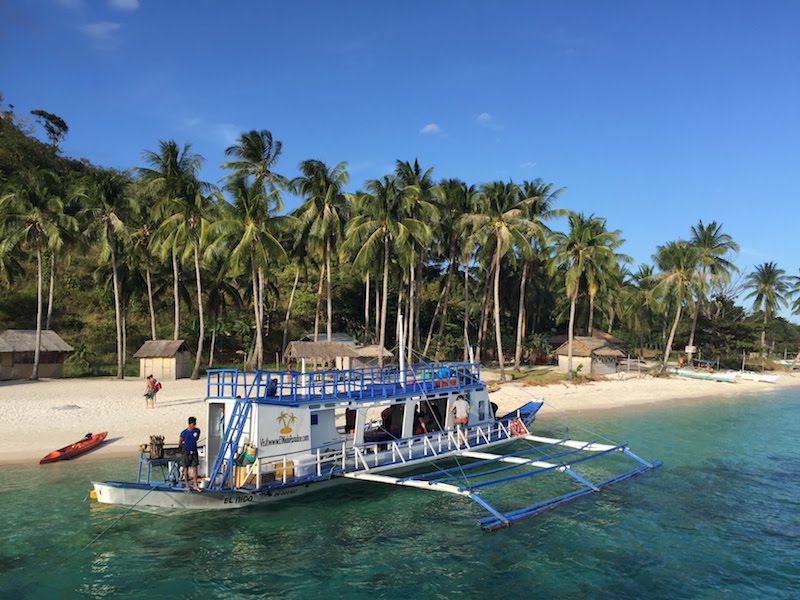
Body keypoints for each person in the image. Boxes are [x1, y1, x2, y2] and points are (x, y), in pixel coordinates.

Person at [179, 416, 202, 492]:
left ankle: (195, 485)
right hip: (186, 452)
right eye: (193, 424)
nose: (195, 425)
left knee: (195, 468)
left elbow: (196, 438)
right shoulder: (184, 432)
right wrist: (184, 447)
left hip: (194, 451)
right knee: (186, 469)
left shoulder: (197, 431)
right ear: (190, 424)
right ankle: (187, 485)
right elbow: (180, 442)